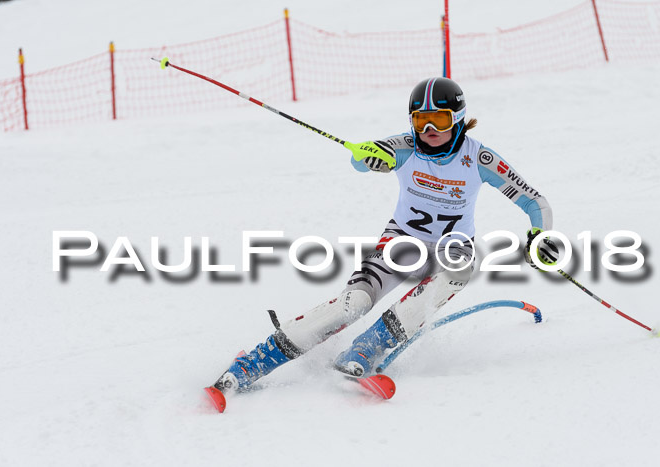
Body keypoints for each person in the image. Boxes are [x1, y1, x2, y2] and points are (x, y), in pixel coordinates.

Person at [210, 77, 559, 393]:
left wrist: (539, 236)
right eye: (421, 120)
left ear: (457, 118)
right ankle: (252, 364)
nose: (429, 129)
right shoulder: (405, 146)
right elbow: (362, 158)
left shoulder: (479, 158)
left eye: (438, 119)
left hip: (453, 248)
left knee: (458, 269)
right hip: (401, 242)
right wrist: (369, 157)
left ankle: (365, 349)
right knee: (354, 304)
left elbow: (534, 201)